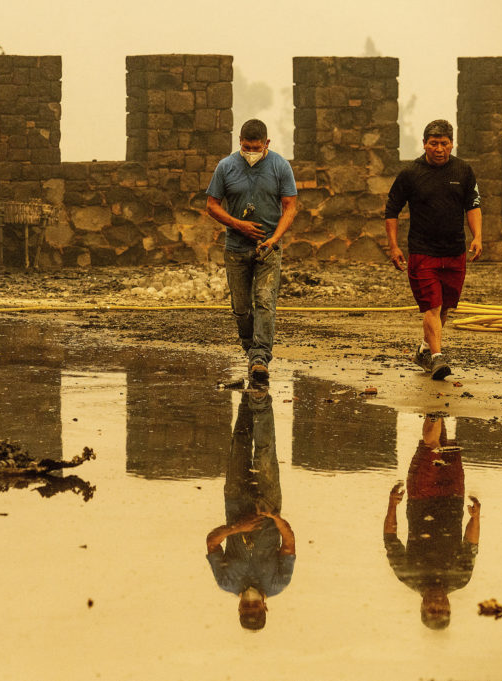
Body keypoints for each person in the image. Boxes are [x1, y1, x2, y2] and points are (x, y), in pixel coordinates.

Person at [384, 119, 483, 380]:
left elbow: (472, 205)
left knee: (445, 307)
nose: (439, 149)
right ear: (424, 144)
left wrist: (477, 237)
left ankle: (425, 350)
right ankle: (438, 358)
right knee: (432, 306)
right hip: (422, 251)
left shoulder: (463, 170)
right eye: (433, 143)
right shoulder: (410, 174)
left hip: (454, 251)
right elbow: (392, 209)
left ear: (452, 144)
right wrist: (394, 246)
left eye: (444, 143)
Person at [206, 119, 298, 384]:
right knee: (241, 308)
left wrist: (275, 239)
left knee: (265, 301)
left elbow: (290, 207)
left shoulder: (280, 166)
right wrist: (238, 225)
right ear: (239, 143)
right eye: (246, 147)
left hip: (268, 248)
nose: (251, 151)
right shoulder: (226, 167)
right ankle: (250, 348)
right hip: (236, 249)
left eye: (256, 147)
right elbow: (212, 205)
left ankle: (260, 358)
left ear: (266, 144)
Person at [206, 389, 296, 630]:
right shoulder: (278, 583)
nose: (251, 605)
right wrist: (274, 516)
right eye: (255, 608)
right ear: (265, 607)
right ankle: (261, 400)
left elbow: (212, 543)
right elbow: (289, 543)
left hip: (235, 500)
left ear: (239, 608)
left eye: (246, 608)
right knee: (266, 451)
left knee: (240, 443)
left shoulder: (226, 582)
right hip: (269, 503)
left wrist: (237, 527)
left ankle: (248, 396)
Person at [383, 415, 481, 629]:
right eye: (443, 610)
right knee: (445, 444)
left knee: (432, 446)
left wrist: (392, 505)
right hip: (454, 497)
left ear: (422, 608)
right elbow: (471, 545)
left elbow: (390, 539)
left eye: (432, 610)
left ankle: (434, 405)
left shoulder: (408, 576)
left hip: (421, 497)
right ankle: (438, 400)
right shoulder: (460, 579)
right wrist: (476, 518)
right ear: (449, 607)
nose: (438, 604)